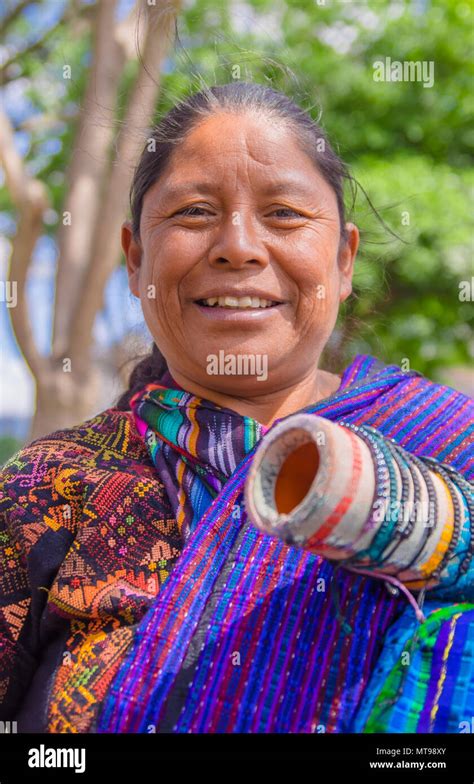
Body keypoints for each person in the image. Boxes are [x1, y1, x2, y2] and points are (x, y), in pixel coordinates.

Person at [0, 82, 472, 734]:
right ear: (136, 259)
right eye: (194, 213)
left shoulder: (453, 450)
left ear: (343, 260)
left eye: (284, 214)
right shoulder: (48, 486)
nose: (239, 247)